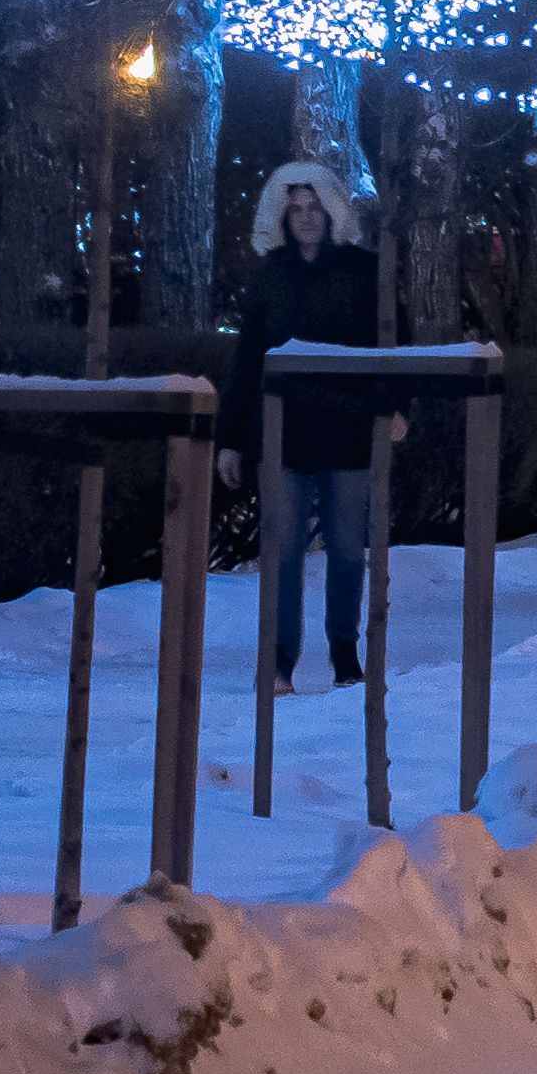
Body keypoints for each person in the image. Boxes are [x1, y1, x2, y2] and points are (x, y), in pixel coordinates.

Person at [236, 161, 387, 692]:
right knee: (281, 550)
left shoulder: (362, 271)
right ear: (280, 214)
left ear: (330, 209)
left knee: (348, 548)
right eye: (294, 208)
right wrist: (235, 438)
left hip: (346, 431)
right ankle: (279, 660)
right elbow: (247, 356)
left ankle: (345, 654)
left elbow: (387, 342)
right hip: (282, 433)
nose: (304, 217)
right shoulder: (269, 276)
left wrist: (394, 408)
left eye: (313, 206)